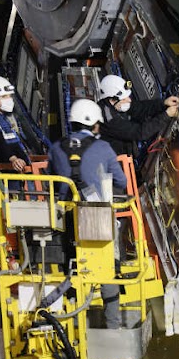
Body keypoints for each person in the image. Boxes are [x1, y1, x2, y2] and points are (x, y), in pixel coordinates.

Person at [48, 99, 130, 327]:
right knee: (106, 268)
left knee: (72, 265)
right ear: (95, 124)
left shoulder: (56, 148)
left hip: (66, 219)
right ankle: (113, 325)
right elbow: (121, 181)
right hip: (96, 217)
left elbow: (50, 183)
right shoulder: (103, 147)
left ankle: (73, 322)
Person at [96, 73, 179, 157]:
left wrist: (163, 103)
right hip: (119, 161)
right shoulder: (108, 119)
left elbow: (139, 108)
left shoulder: (116, 105)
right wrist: (166, 115)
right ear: (113, 99)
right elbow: (140, 132)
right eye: (125, 98)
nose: (129, 100)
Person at [0, 76, 33, 173]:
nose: (9, 99)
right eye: (4, 96)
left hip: (23, 172)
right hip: (14, 172)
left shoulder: (4, 117)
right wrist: (13, 159)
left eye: (10, 96)